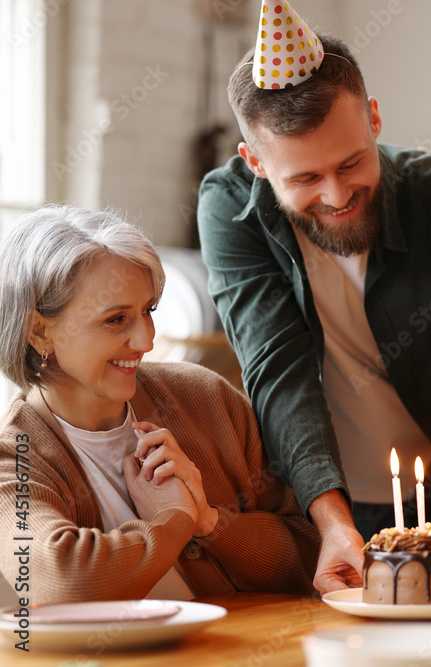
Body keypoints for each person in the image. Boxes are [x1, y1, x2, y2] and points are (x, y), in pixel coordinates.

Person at [197, 12, 431, 593]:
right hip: (321, 508)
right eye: (305, 178)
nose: (336, 195)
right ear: (256, 163)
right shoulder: (230, 209)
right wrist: (332, 523)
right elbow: (277, 371)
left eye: (352, 163)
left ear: (373, 118)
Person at [0, 206, 319, 604]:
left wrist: (210, 521)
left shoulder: (207, 398)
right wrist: (175, 520)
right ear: (39, 332)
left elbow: (312, 555)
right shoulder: (15, 456)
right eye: (116, 319)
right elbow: (63, 584)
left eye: (147, 311)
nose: (146, 341)